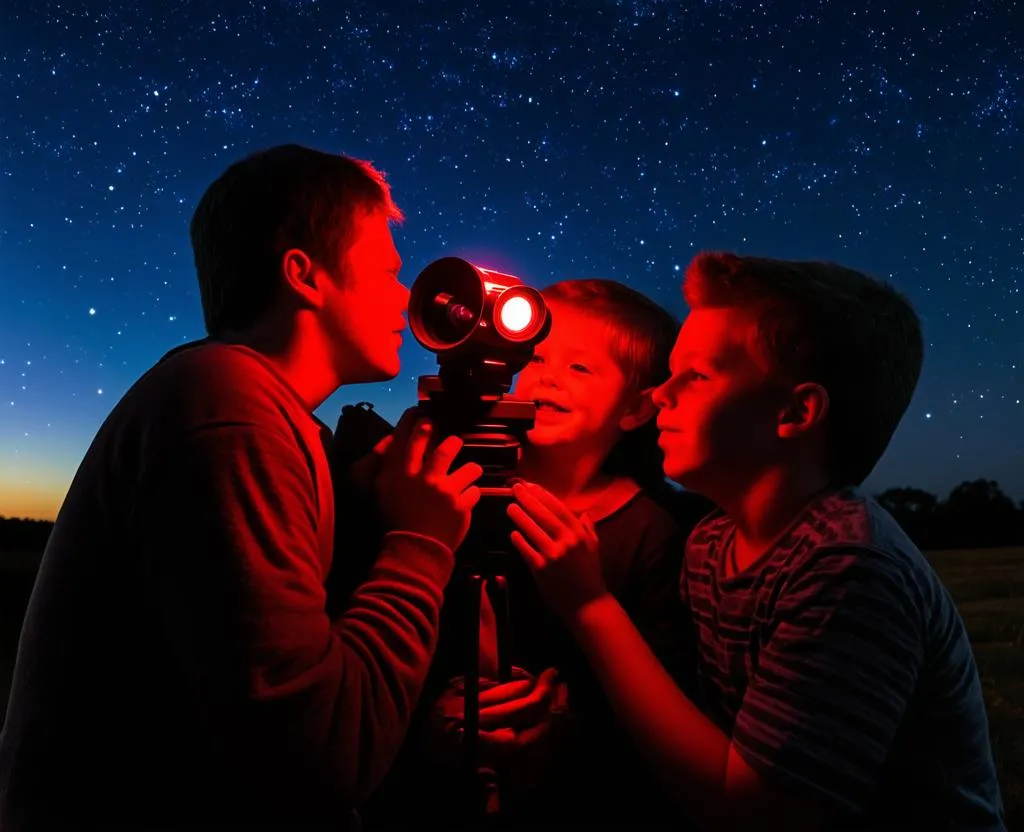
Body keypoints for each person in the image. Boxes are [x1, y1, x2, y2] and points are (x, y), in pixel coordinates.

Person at [0, 144, 483, 832]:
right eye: (386, 271)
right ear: (304, 275)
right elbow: (322, 762)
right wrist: (420, 540)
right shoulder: (226, 405)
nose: (406, 300)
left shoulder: (278, 421)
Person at [507, 252, 1006, 831]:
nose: (661, 395)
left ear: (795, 411)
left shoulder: (847, 569)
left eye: (695, 375)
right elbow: (685, 730)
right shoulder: (710, 544)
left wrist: (590, 606)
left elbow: (755, 816)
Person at [367, 278, 712, 830]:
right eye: (536, 354)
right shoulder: (446, 490)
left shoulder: (653, 533)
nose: (547, 375)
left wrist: (566, 722)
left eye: (580, 368)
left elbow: (663, 689)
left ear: (637, 408)